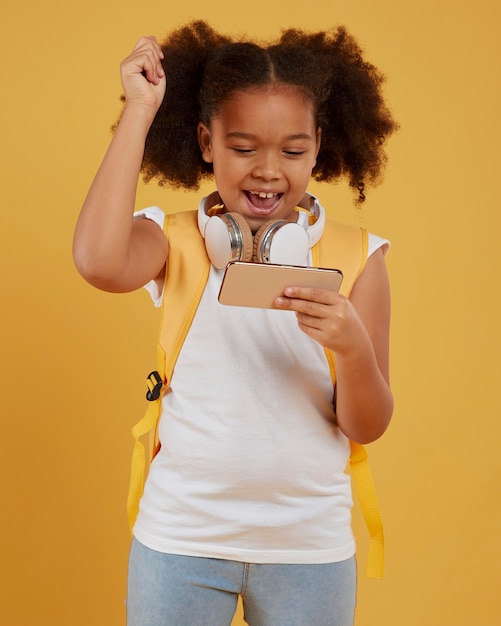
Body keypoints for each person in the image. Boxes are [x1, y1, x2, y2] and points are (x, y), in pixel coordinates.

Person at [73, 20, 397, 626]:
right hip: (181, 540)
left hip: (309, 549)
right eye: (243, 148)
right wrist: (139, 113)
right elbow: (96, 260)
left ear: (318, 146)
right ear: (205, 142)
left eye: (293, 151)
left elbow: (369, 425)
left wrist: (352, 349)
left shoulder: (359, 258)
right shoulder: (176, 241)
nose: (268, 171)